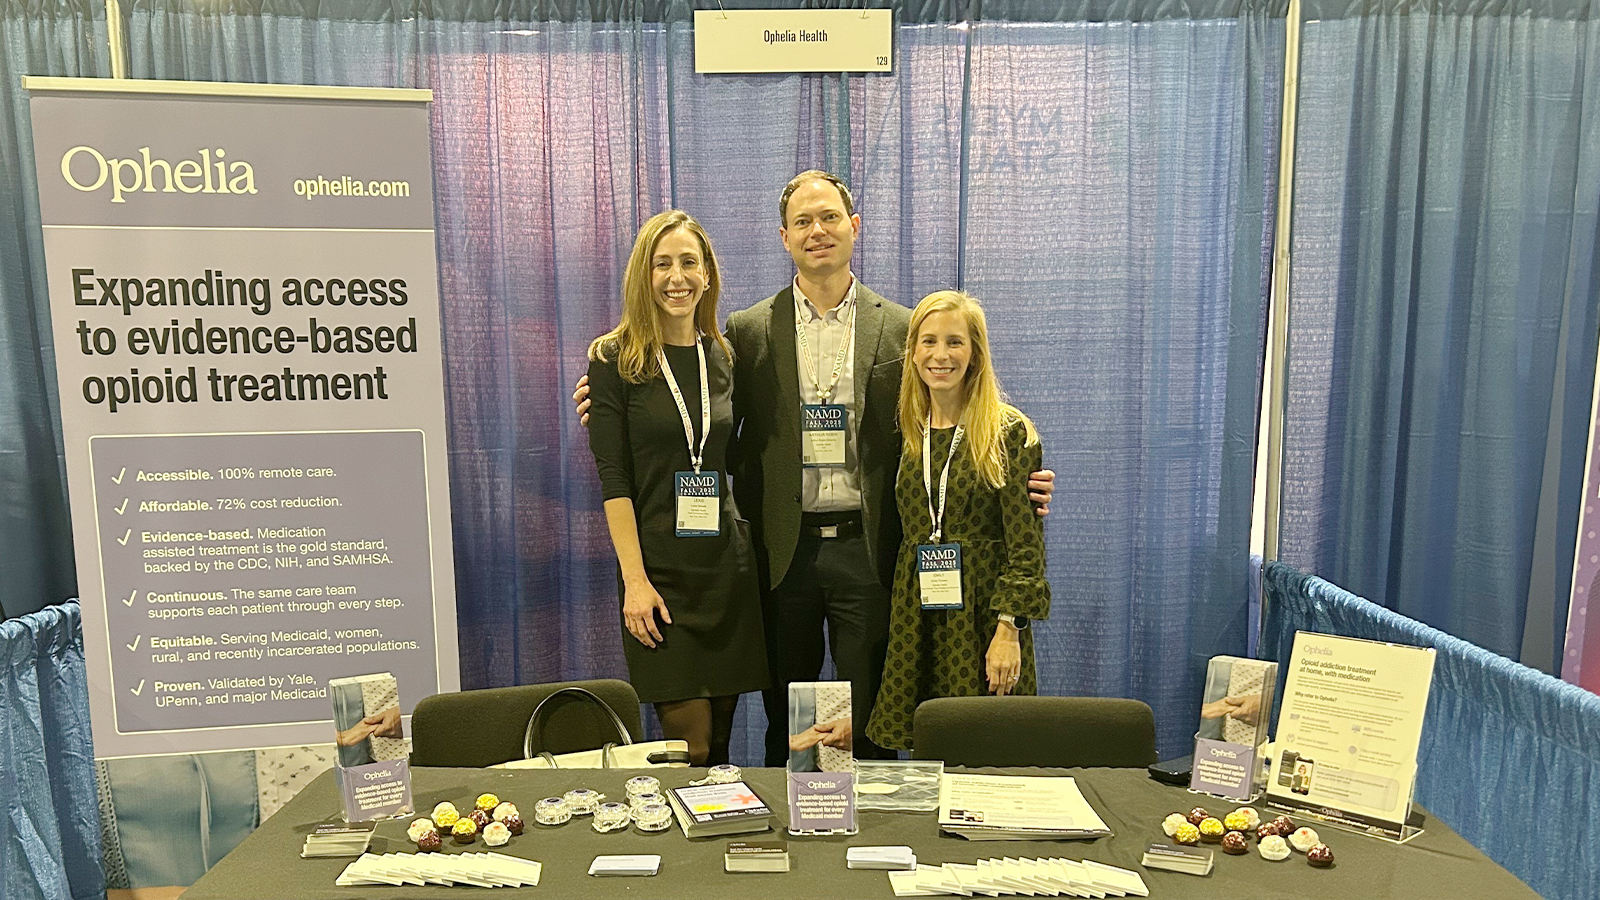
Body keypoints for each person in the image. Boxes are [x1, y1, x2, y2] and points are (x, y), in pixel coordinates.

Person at [579, 172, 1056, 765]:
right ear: (784, 237)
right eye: (802, 222)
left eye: (829, 218)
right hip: (781, 556)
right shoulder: (746, 334)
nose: (817, 231)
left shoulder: (904, 329)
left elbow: (949, 417)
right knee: (788, 724)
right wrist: (608, 405)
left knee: (872, 722)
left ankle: (870, 821)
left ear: (854, 227)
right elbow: (706, 427)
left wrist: (1015, 480)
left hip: (871, 551)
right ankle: (792, 820)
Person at [584, 209, 767, 766]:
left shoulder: (724, 357)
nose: (676, 277)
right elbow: (614, 480)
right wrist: (634, 582)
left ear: (707, 274)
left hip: (726, 572)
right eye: (662, 264)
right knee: (692, 752)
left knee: (721, 753)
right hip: (659, 577)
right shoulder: (613, 359)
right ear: (644, 275)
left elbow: (740, 452)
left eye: (689, 262)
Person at [865, 290, 1050, 752]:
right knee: (926, 751)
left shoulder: (1008, 432)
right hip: (918, 615)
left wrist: (1008, 629)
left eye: (954, 342)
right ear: (912, 351)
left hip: (984, 618)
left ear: (975, 353)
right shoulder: (906, 431)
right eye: (928, 341)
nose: (940, 355)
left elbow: (1026, 548)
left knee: (990, 750)